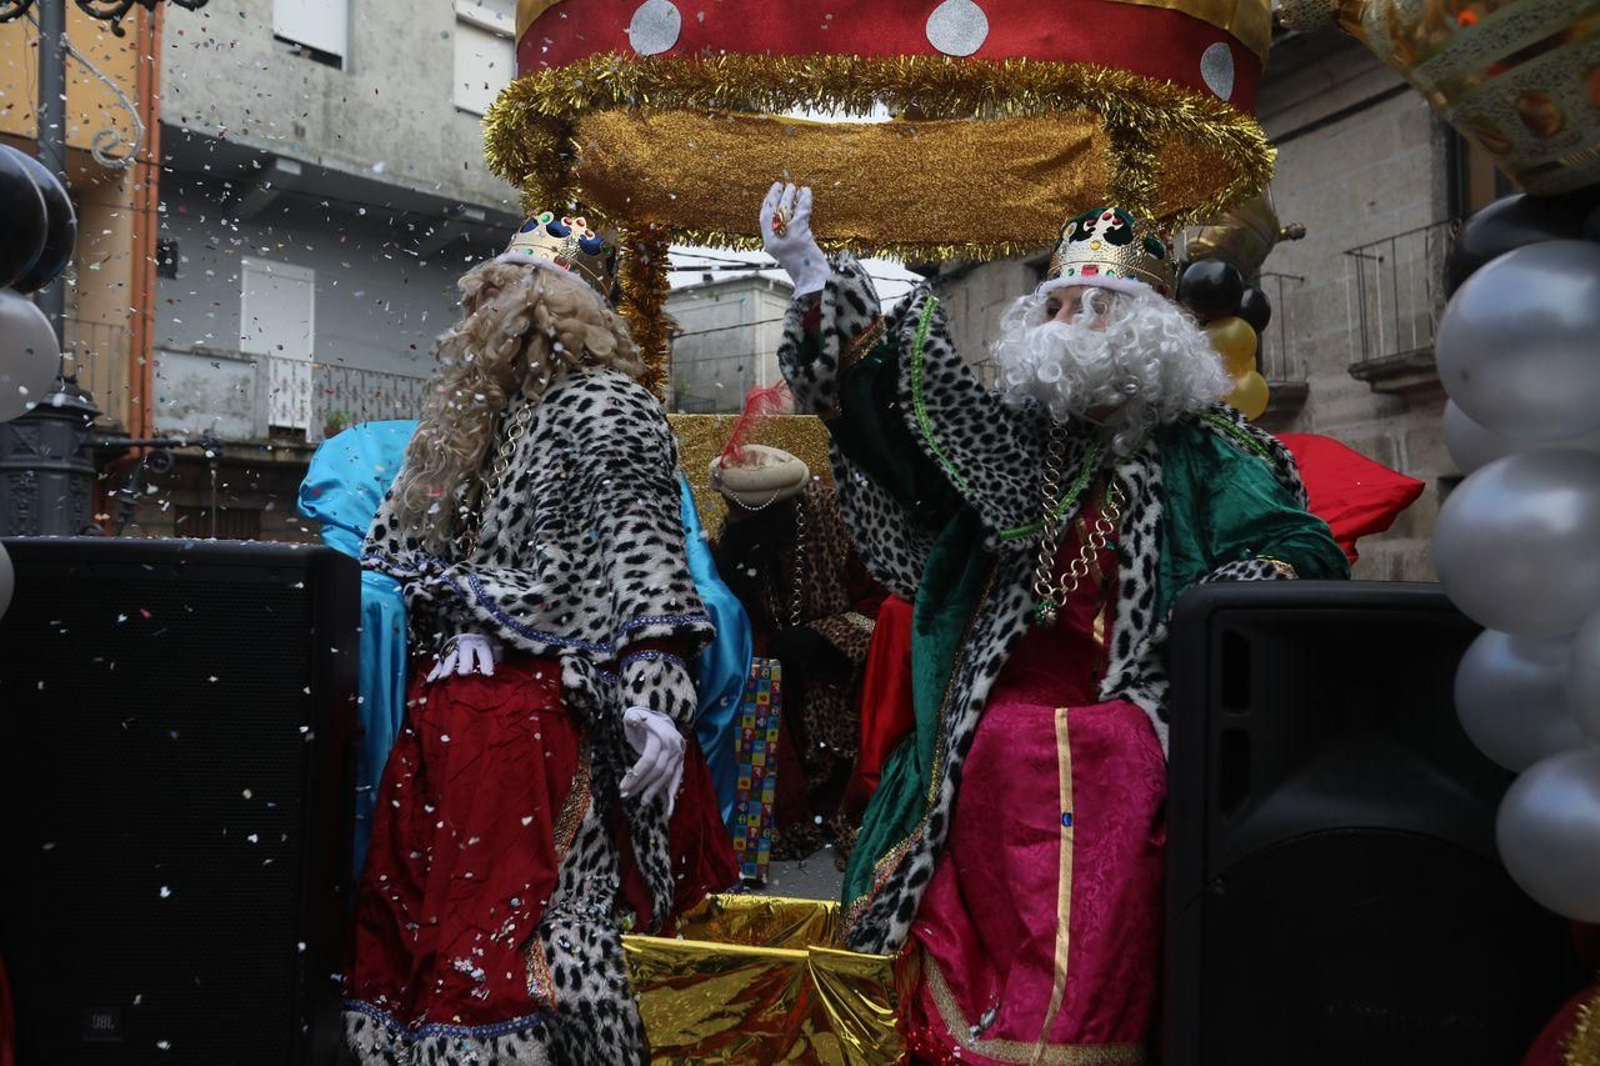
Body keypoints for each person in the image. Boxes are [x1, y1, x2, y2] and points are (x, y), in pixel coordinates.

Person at [761, 182, 1350, 1061]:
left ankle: (1081, 1036)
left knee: (1102, 758)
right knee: (1003, 748)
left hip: (1142, 704)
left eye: (1098, 305)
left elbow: (1295, 545)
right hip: (997, 706)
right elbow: (905, 430)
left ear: (1149, 327)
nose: (1072, 320)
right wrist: (813, 279)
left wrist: (1215, 601)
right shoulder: (1016, 442)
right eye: (1060, 302)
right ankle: (990, 1027)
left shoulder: (1211, 449)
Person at [344, 212, 737, 1064]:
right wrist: (457, 615)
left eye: (520, 300)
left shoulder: (607, 406)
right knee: (427, 922)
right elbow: (398, 553)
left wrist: (654, 696)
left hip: (549, 711)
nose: (499, 318)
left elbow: (645, 557)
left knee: (534, 928)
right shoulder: (464, 423)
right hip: (454, 715)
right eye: (490, 297)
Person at [709, 437, 884, 864]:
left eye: (739, 514)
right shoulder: (739, 536)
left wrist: (821, 638)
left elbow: (883, 607)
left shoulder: (841, 521)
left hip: (846, 671)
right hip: (777, 680)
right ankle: (773, 819)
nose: (730, 520)